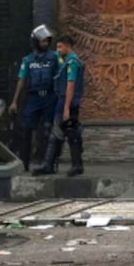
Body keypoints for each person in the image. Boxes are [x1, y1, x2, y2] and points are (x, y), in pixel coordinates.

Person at [32, 35, 85, 176]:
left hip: (68, 102)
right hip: (63, 101)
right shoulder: (67, 61)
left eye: (60, 47)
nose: (58, 50)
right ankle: (50, 164)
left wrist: (66, 107)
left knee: (70, 133)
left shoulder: (73, 62)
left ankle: (75, 165)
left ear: (68, 46)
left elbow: (71, 85)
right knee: (58, 133)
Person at [9, 24, 58, 171]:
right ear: (36, 42)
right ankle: (25, 161)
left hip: (49, 96)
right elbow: (22, 80)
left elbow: (61, 75)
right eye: (43, 41)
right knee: (27, 129)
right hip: (33, 98)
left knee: (48, 129)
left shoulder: (54, 57)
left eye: (47, 41)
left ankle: (47, 161)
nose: (46, 43)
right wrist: (14, 102)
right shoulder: (28, 60)